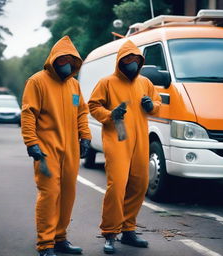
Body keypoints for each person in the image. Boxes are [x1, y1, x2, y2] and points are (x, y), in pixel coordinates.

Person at [88, 40, 161, 254]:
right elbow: (93, 105)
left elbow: (157, 104)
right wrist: (110, 115)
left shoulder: (145, 83)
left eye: (135, 60)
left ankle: (128, 229)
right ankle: (110, 233)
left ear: (140, 62)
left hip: (140, 139)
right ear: (120, 61)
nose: (131, 63)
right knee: (117, 185)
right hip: (117, 136)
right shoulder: (107, 82)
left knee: (140, 183)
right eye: (128, 60)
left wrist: (152, 105)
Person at [21, 35, 92, 256]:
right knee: (49, 194)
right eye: (62, 60)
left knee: (67, 195)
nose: (66, 64)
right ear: (54, 60)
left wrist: (86, 136)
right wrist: (31, 143)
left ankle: (60, 238)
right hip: (46, 150)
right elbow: (28, 114)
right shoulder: (37, 82)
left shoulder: (74, 85)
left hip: (70, 149)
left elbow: (81, 112)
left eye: (70, 60)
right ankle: (45, 244)